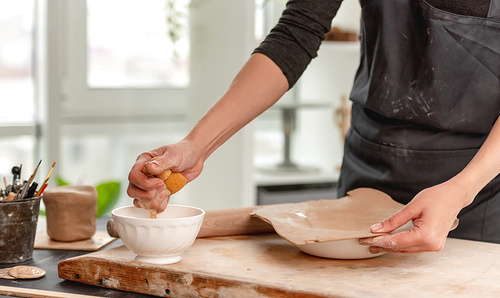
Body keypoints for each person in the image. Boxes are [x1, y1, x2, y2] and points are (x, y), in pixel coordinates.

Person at [127, 0, 500, 254]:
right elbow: (297, 32)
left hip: (477, 184)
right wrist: (198, 144)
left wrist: (461, 190)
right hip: (371, 162)